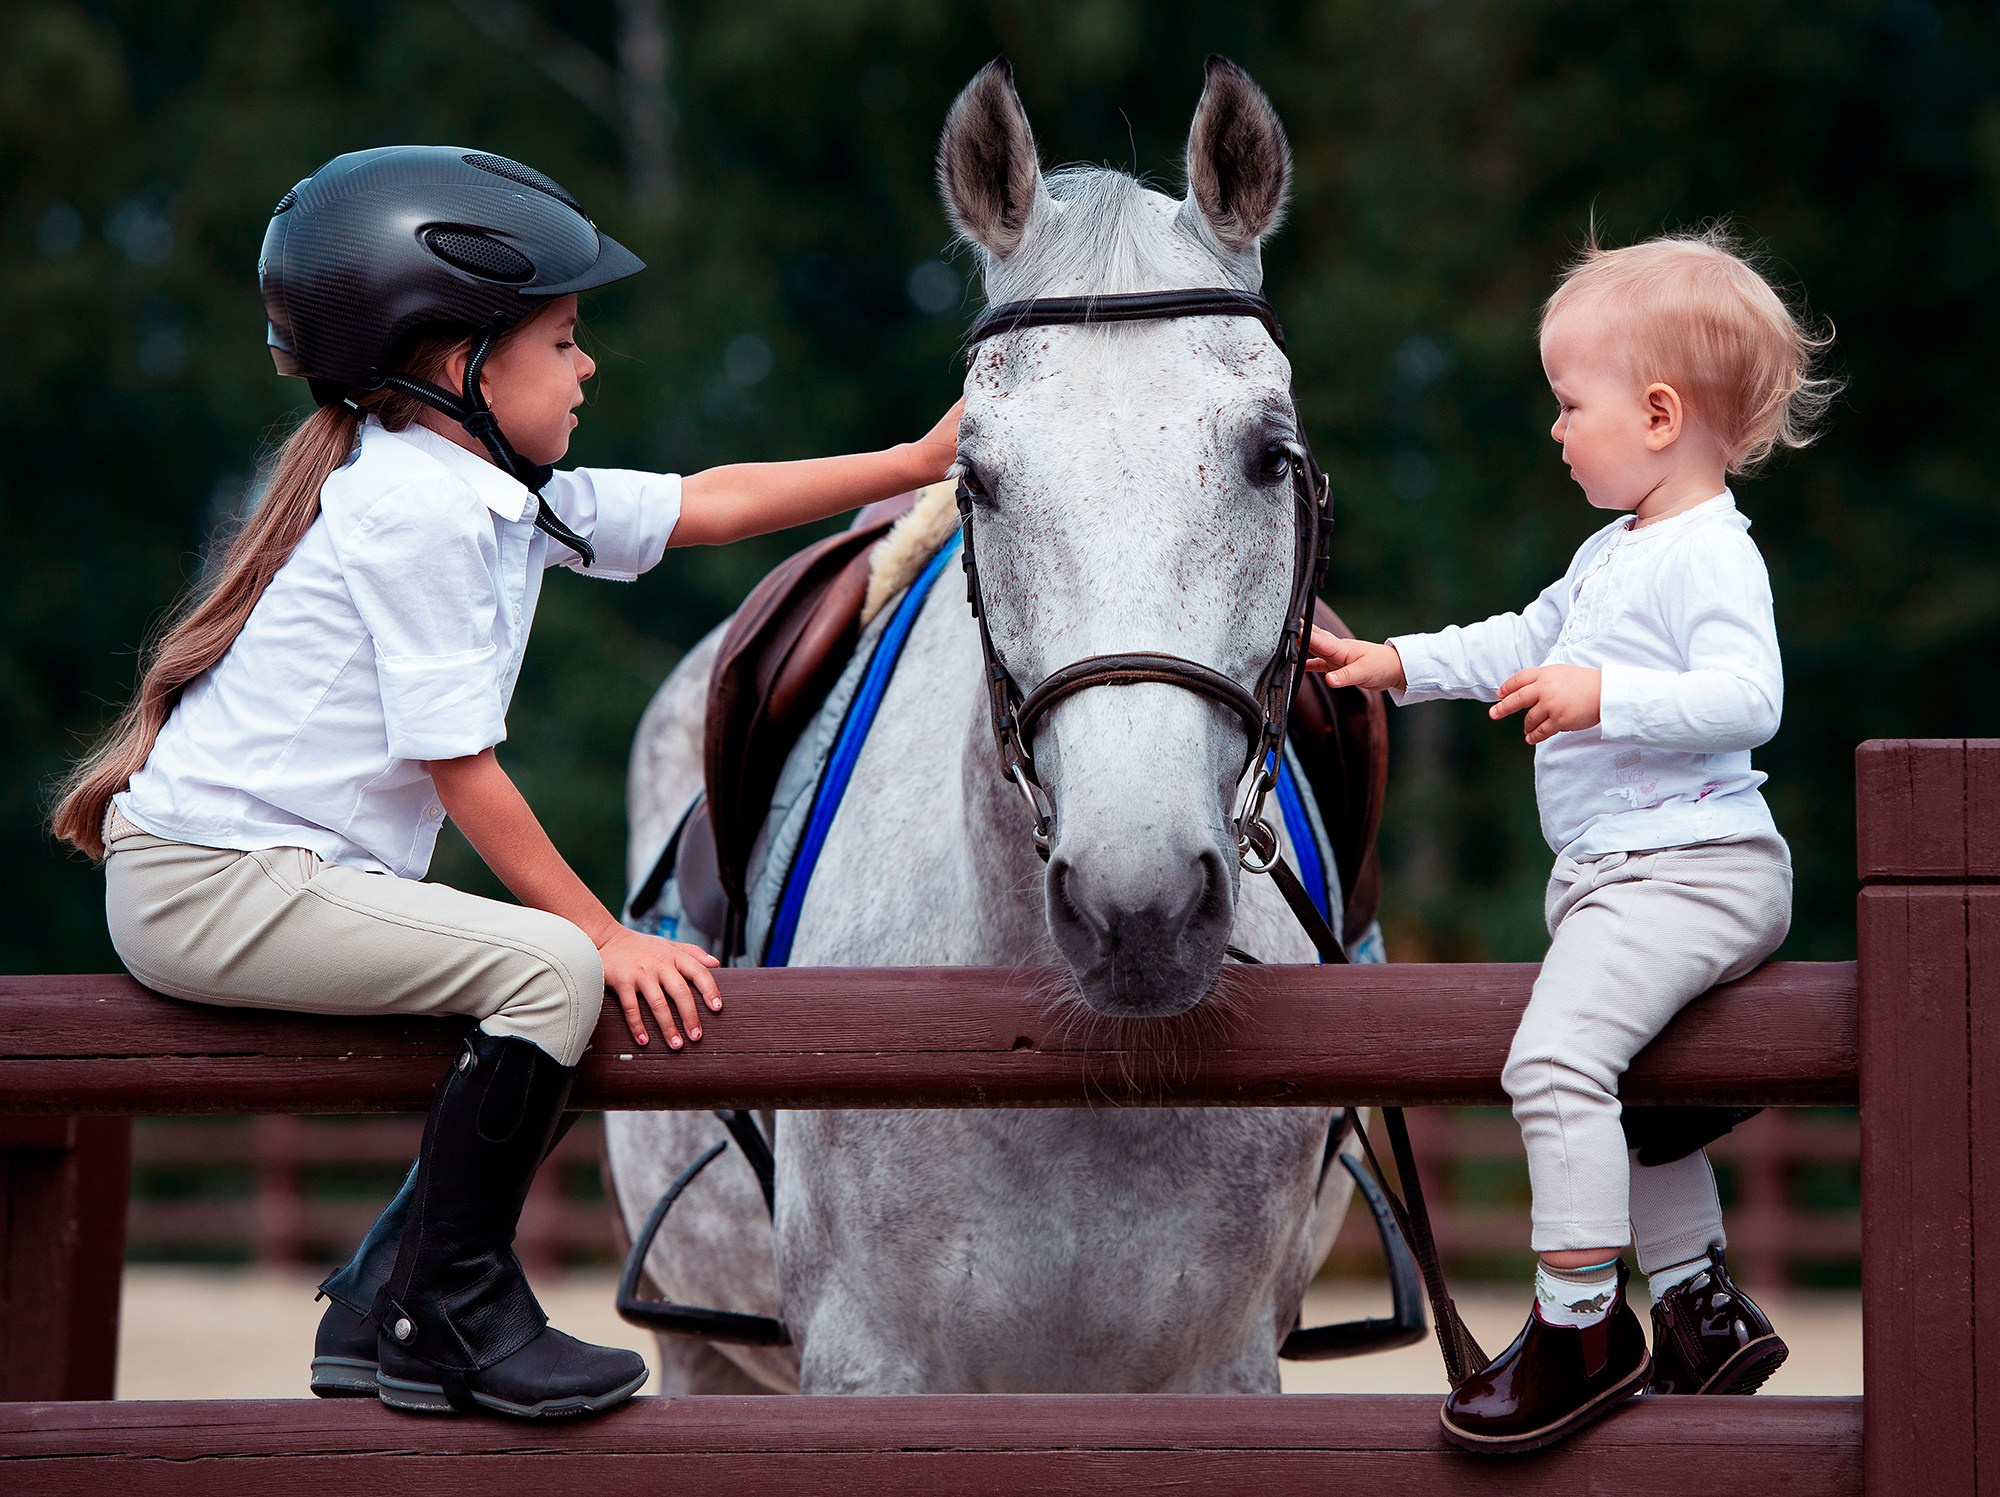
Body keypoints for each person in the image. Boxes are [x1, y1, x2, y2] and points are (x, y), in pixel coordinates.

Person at [51, 146, 960, 1421]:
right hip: (218, 891)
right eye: (563, 340)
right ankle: (451, 1315)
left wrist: (915, 464)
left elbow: (703, 503)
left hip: (245, 884)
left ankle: (383, 1300)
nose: (587, 367)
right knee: (552, 973)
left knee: (547, 972)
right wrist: (599, 934)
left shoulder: (482, 493)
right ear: (453, 364)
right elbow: (458, 766)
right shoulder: (413, 513)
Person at [1307, 228, 1834, 1454]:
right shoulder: (1612, 552)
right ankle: (1699, 1306)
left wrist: (1604, 697)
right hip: (1628, 878)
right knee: (1629, 1092)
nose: (1554, 429)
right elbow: (1514, 640)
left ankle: (1581, 1326)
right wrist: (1393, 666)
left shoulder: (1707, 552)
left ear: (1657, 414)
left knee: (1552, 1064)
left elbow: (1747, 699)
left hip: (1694, 868)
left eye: (1567, 402)